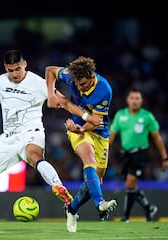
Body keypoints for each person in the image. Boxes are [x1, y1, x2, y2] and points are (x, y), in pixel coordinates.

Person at [0, 50, 103, 234]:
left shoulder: (38, 83)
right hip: (8, 138)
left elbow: (65, 103)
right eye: (10, 70)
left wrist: (87, 116)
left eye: (18, 69)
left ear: (25, 64)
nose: (15, 74)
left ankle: (59, 188)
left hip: (32, 133)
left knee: (34, 156)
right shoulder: (0, 81)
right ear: (5, 68)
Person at [45, 56, 117, 233]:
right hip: (76, 127)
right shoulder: (71, 75)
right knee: (88, 158)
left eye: (83, 84)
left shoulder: (104, 90)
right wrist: (51, 95)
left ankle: (71, 210)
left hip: (98, 132)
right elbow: (50, 70)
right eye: (76, 83)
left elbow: (95, 122)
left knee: (95, 181)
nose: (79, 87)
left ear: (92, 77)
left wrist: (81, 129)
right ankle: (100, 203)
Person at [109, 88, 168, 222]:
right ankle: (148, 208)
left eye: (137, 98)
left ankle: (126, 217)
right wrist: (104, 152)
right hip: (125, 155)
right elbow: (111, 136)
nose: (135, 101)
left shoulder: (147, 116)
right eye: (132, 98)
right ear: (127, 100)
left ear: (141, 101)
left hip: (140, 154)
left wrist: (164, 157)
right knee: (130, 186)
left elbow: (157, 138)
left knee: (130, 183)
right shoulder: (120, 115)